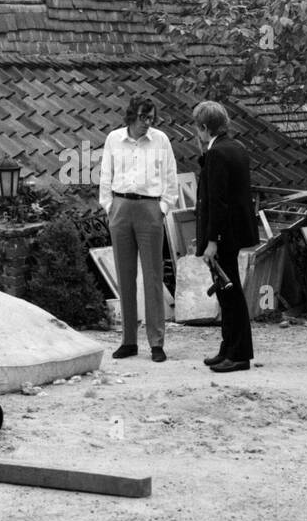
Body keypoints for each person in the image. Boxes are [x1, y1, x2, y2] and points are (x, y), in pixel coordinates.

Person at [99, 96, 178, 361]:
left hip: (150, 209)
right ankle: (129, 341)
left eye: (152, 118)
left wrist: (163, 208)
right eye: (144, 117)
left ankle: (156, 343)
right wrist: (109, 206)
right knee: (125, 277)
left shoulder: (161, 140)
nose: (148, 123)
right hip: (121, 208)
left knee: (153, 277)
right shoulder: (113, 139)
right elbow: (105, 175)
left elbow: (170, 177)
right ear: (132, 116)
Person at [192, 100, 257, 373]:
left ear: (204, 127)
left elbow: (217, 201)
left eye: (197, 127)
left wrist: (212, 240)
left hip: (224, 235)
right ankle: (228, 347)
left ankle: (239, 354)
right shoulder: (236, 147)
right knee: (225, 292)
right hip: (235, 231)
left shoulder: (218, 153)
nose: (196, 132)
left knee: (230, 294)